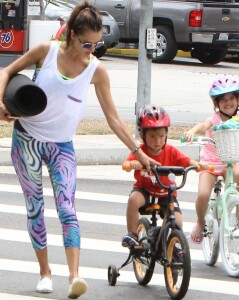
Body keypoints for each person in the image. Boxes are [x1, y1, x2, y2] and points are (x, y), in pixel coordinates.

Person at [0, 1, 159, 298]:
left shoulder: (96, 71)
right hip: (27, 142)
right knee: (35, 209)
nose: (92, 50)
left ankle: (74, 277)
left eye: (97, 45)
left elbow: (113, 119)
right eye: (87, 43)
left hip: (62, 146)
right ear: (72, 35)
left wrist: (138, 151)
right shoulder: (45, 53)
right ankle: (45, 273)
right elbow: (6, 71)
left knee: (67, 209)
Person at [121, 104, 201, 247]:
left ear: (166, 134)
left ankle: (169, 245)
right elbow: (127, 163)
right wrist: (131, 164)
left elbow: (185, 161)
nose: (157, 141)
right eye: (152, 137)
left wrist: (197, 165)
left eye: (161, 136)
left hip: (166, 194)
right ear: (143, 135)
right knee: (133, 200)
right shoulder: (140, 151)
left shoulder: (171, 151)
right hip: (144, 191)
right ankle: (132, 235)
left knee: (177, 221)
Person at [184, 77, 239, 244]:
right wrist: (192, 131)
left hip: (230, 161)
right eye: (223, 100)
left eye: (232, 98)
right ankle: (200, 222)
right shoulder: (214, 118)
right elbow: (202, 126)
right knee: (204, 194)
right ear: (216, 103)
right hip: (210, 163)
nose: (228, 103)